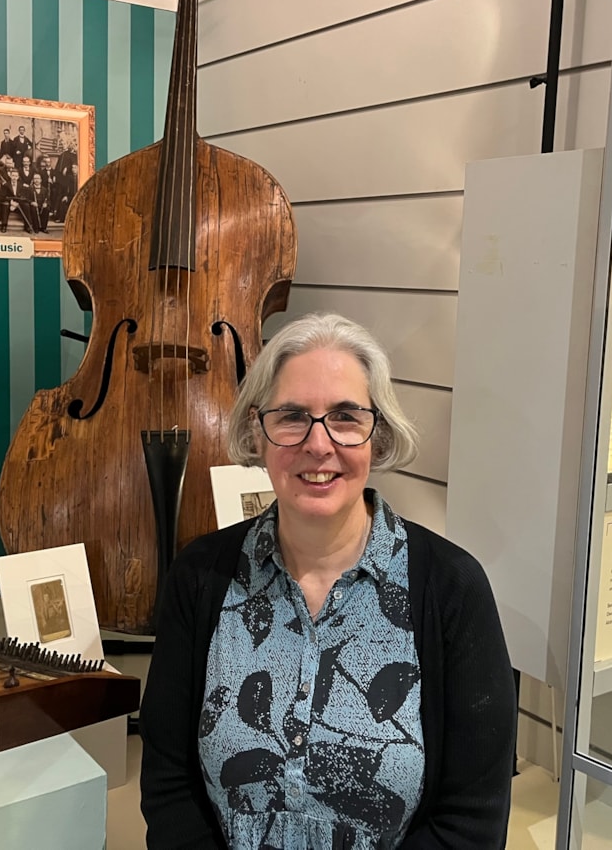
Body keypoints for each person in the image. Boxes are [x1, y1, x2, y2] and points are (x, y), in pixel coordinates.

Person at [140, 313, 516, 850]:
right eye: (293, 416)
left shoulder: (452, 589)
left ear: (377, 433)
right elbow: (169, 785)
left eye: (344, 417)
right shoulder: (200, 576)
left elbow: (471, 821)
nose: (319, 445)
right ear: (256, 431)